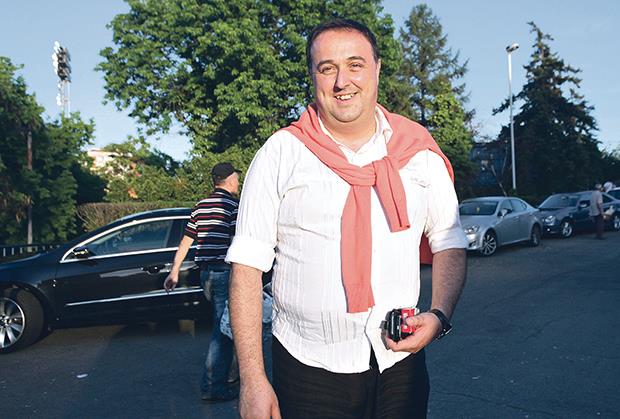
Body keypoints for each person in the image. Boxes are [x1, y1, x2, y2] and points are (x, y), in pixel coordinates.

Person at [226, 19, 468, 419]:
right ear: (313, 77)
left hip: (400, 366)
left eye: (355, 65)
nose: (342, 81)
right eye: (327, 68)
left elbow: (448, 240)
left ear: (377, 69)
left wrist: (440, 315)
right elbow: (247, 267)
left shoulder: (420, 153)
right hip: (307, 369)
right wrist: (252, 379)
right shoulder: (280, 154)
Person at [163, 162, 241, 402]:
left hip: (205, 275)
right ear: (229, 180)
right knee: (222, 329)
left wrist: (174, 272)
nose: (238, 182)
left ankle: (228, 374)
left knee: (225, 324)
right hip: (224, 273)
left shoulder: (200, 206)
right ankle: (212, 386)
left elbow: (186, 242)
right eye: (237, 178)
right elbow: (237, 243)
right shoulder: (232, 206)